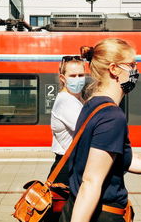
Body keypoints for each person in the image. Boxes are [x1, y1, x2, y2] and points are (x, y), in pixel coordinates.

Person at [59, 38, 141, 222]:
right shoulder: (112, 116)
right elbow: (91, 182)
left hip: (79, 206)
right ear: (114, 69)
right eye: (131, 65)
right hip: (100, 214)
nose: (136, 71)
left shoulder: (91, 105)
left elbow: (122, 162)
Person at [49, 55, 86, 186]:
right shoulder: (66, 101)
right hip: (67, 169)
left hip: (71, 166)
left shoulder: (75, 99)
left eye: (81, 75)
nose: (78, 79)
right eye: (73, 76)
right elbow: (89, 130)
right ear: (62, 78)